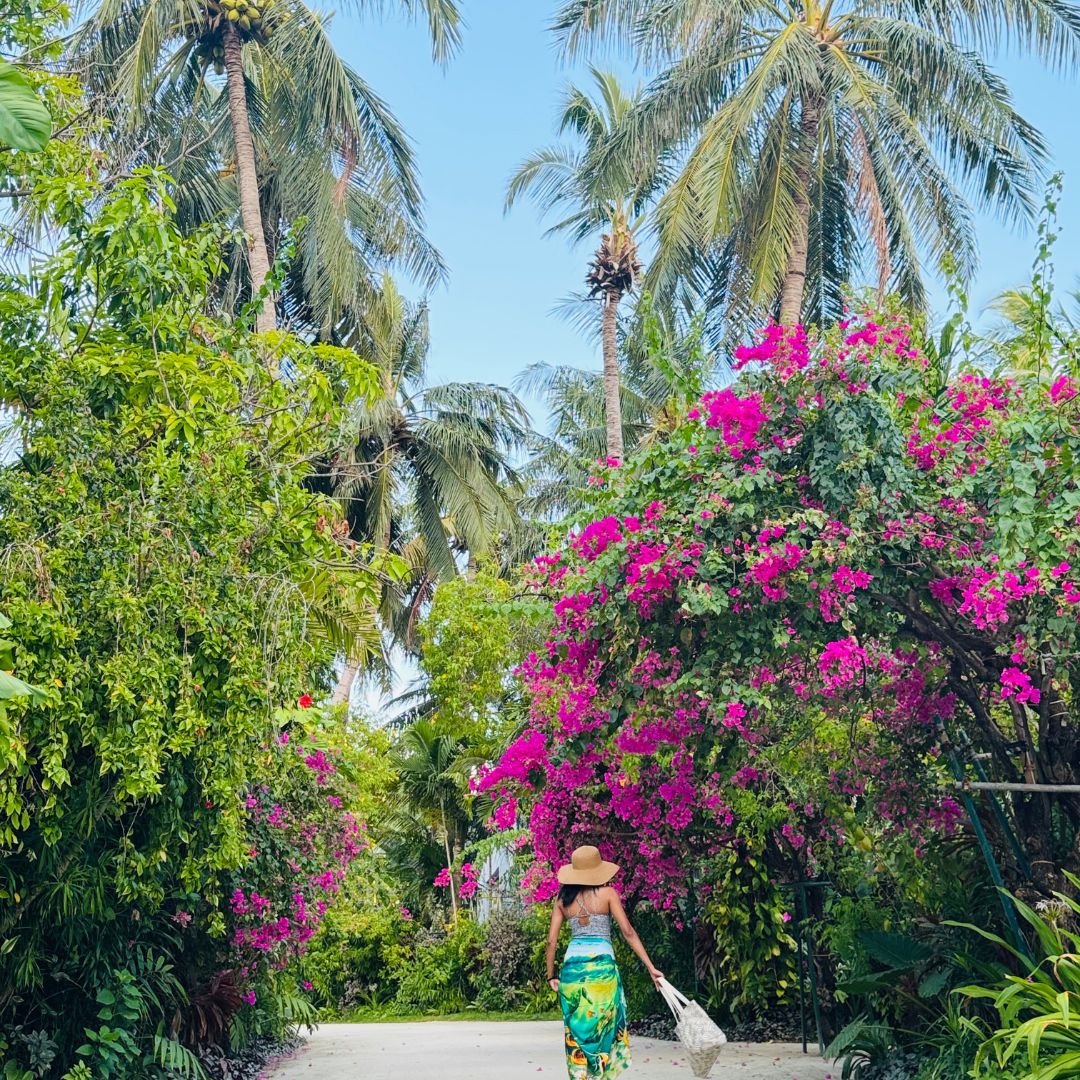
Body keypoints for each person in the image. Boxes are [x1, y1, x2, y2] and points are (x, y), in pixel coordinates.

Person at [545, 845, 663, 1080]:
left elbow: (551, 941)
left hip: (572, 973)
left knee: (577, 1032)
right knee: (604, 1028)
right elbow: (628, 932)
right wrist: (651, 968)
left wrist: (551, 975)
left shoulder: (562, 900)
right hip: (603, 972)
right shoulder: (608, 894)